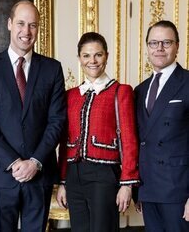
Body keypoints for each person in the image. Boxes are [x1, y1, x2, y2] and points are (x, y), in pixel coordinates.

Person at [0, 0, 66, 232]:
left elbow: (57, 121)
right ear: (9, 24)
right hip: (0, 175)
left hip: (39, 174)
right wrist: (14, 163)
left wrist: (34, 162)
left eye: (33, 25)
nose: (26, 31)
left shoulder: (52, 68)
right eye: (21, 24)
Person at [57, 32, 139, 232]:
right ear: (79, 58)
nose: (92, 61)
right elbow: (64, 142)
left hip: (104, 175)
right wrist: (63, 182)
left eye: (98, 55)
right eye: (86, 55)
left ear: (107, 56)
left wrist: (127, 184)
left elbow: (129, 139)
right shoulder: (71, 96)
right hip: (74, 176)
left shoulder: (121, 91)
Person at [134, 20, 189, 231]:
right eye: (153, 43)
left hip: (179, 191)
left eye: (166, 42)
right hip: (148, 190)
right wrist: (137, 190)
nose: (159, 48)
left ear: (177, 46)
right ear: (147, 47)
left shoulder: (187, 82)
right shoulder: (140, 90)